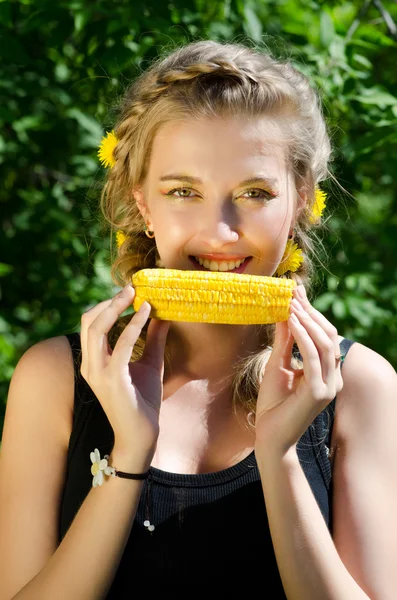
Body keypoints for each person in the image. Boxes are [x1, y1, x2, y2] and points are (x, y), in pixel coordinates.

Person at [1, 39, 396, 600]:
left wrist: (280, 456)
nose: (221, 233)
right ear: (142, 203)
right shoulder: (56, 380)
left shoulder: (358, 387)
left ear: (302, 199)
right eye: (183, 191)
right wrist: (129, 457)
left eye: (255, 193)